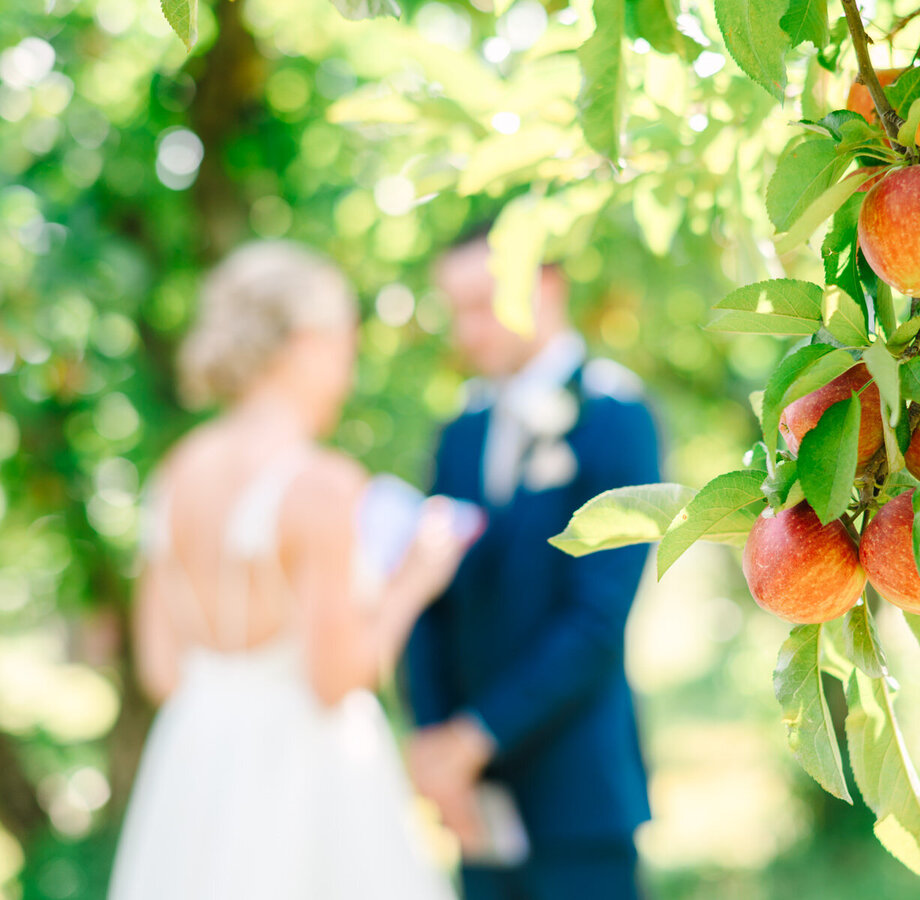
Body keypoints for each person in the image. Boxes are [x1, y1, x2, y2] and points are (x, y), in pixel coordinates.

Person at [110, 241, 466, 900]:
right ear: (304, 345)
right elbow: (332, 680)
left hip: (195, 769)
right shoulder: (321, 486)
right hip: (304, 779)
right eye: (345, 343)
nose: (348, 366)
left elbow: (162, 668)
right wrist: (413, 580)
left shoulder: (177, 471)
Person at [403, 223, 661, 900]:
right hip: (474, 804)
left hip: (578, 794)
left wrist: (474, 736)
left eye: (481, 304)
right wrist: (437, 746)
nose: (466, 331)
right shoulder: (459, 433)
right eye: (454, 310)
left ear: (546, 286)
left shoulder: (616, 416)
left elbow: (596, 621)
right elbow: (429, 600)